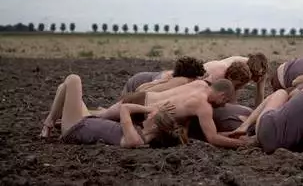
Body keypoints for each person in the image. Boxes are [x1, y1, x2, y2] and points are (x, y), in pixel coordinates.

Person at [96, 78, 251, 149]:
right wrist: (242, 144)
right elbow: (212, 138)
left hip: (141, 98)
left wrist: (230, 133)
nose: (222, 106)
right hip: (143, 114)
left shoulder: (200, 83)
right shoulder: (203, 106)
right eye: (224, 102)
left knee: (97, 117)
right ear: (222, 96)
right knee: (92, 121)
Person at [40, 74, 183, 148]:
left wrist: (150, 107)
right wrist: (159, 111)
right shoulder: (141, 134)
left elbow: (125, 108)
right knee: (63, 89)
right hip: (86, 121)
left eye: (152, 115)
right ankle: (53, 121)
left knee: (73, 79)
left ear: (156, 125)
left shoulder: (135, 139)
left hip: (75, 128)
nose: (149, 114)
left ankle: (49, 122)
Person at [121, 56, 206, 95]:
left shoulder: (179, 77)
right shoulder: (176, 80)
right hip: (136, 83)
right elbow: (142, 91)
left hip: (142, 82)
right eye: (195, 77)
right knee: (120, 107)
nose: (196, 79)